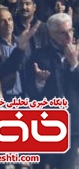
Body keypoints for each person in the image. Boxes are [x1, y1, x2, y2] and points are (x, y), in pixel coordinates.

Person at [25, 13, 79, 168]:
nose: (69, 37)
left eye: (70, 31)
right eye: (63, 33)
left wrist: (74, 64)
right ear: (51, 33)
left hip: (73, 125)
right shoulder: (38, 56)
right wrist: (39, 82)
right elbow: (30, 91)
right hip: (47, 124)